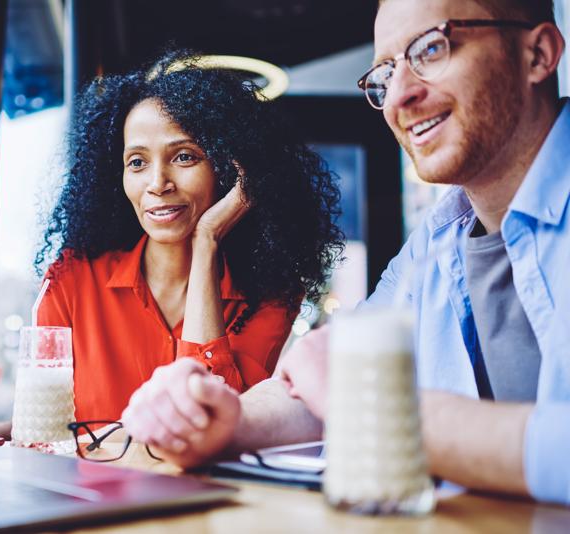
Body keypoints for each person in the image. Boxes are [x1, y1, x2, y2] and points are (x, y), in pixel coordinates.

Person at [122, 0, 570, 505]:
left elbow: (347, 393)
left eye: (432, 49)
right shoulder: (440, 238)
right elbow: (321, 383)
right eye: (385, 72)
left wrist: (372, 407)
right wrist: (226, 420)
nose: (399, 94)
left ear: (538, 54)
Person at [0, 50, 343, 437]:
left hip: (209, 497)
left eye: (184, 157)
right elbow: (42, 428)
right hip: (90, 496)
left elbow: (208, 423)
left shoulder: (273, 295)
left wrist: (207, 241)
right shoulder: (72, 278)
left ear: (229, 170)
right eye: (136, 162)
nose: (157, 183)